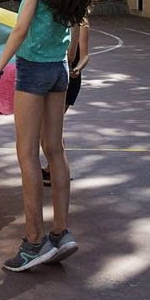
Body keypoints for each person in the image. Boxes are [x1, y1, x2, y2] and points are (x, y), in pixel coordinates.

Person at [0, 0, 98, 272]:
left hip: (32, 71)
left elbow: (20, 29)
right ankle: (61, 233)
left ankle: (34, 242)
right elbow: (79, 24)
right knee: (55, 151)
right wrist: (80, 55)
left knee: (27, 154)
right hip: (59, 70)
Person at [42, 18, 90, 187]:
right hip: (56, 73)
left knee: (50, 126)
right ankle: (53, 167)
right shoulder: (56, 20)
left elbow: (84, 56)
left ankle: (56, 168)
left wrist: (77, 68)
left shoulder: (82, 25)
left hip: (70, 78)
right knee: (49, 126)